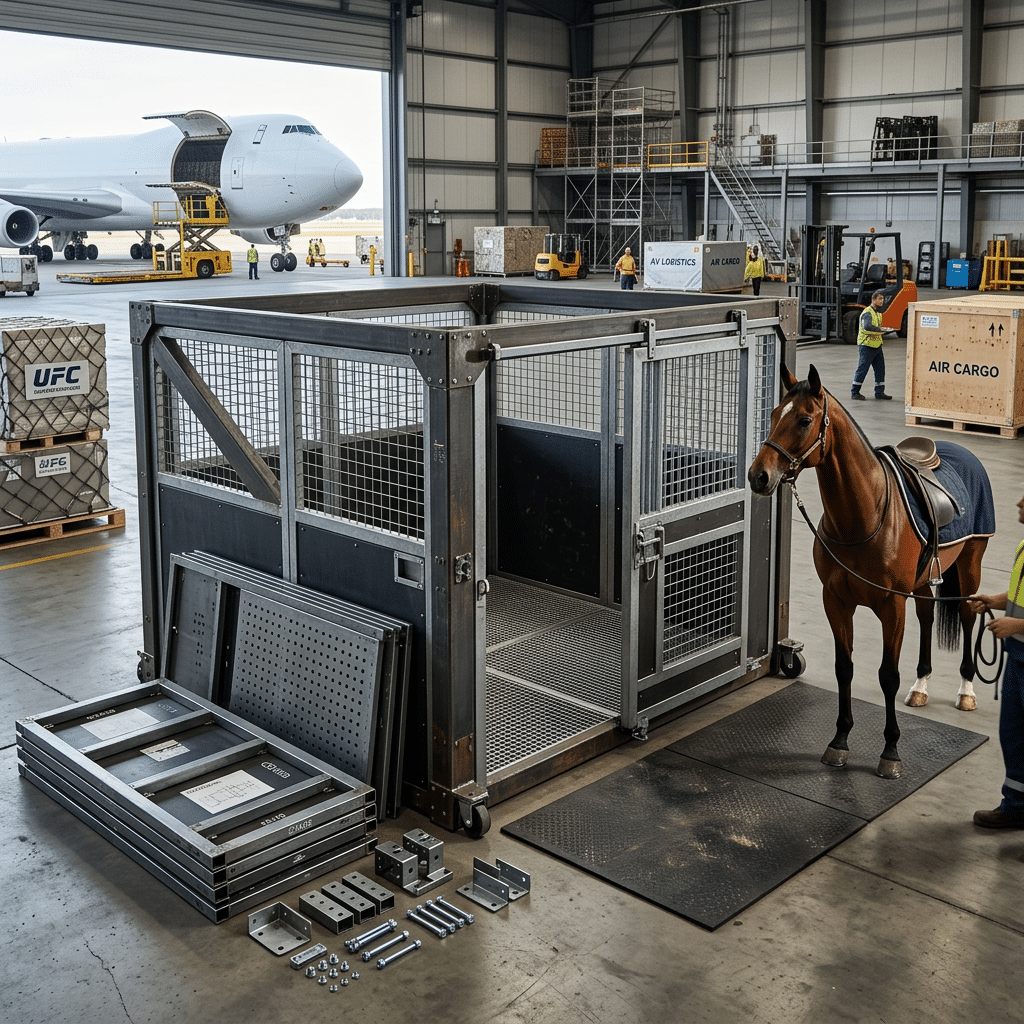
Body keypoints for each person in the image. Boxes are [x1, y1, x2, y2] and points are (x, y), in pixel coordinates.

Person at [968, 493, 1024, 828]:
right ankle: (1016, 807)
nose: (1018, 502)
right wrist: (994, 600)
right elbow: (1019, 595)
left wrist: (1016, 625)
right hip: (1017, 658)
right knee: (1013, 735)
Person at [850, 290, 892, 400]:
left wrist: (882, 330)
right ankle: (855, 392)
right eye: (880, 299)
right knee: (862, 369)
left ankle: (879, 392)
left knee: (880, 369)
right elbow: (867, 326)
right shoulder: (867, 312)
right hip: (866, 345)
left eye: (882, 299)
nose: (882, 301)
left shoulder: (878, 313)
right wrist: (880, 329)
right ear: (873, 300)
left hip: (877, 345)